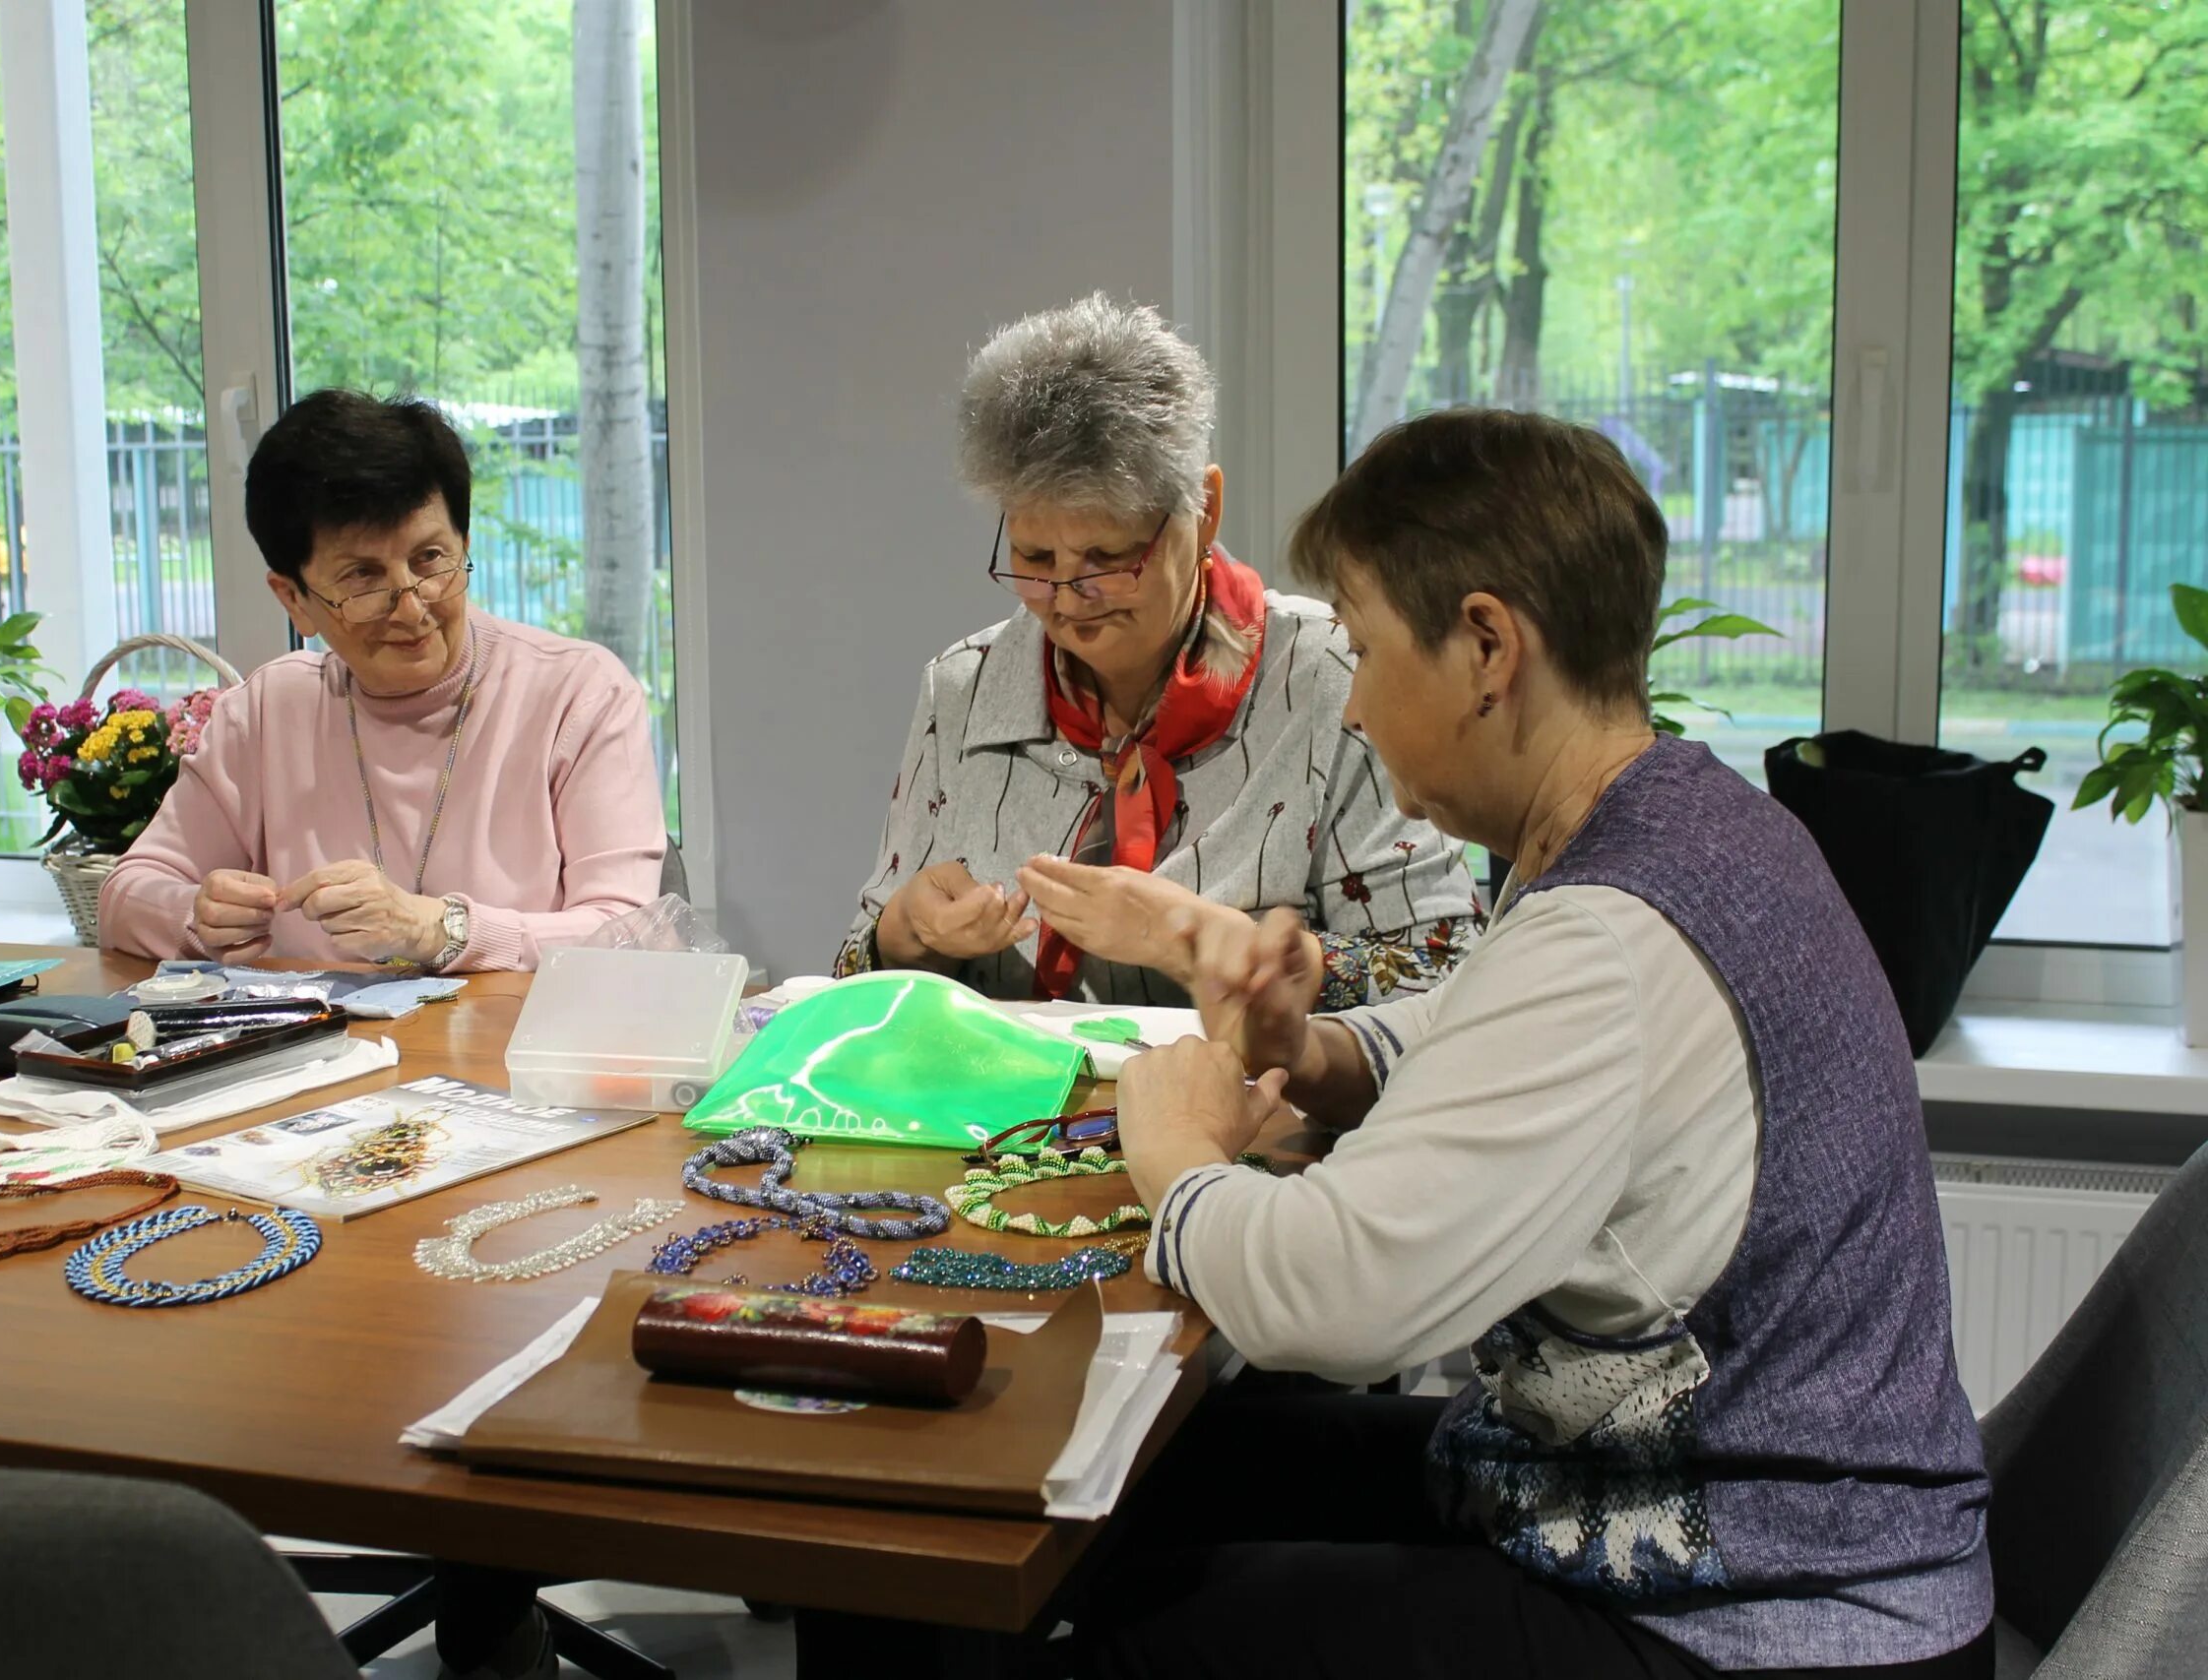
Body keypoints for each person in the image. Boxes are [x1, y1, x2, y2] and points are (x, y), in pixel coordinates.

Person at [1086, 409, 1992, 1679]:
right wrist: (1326, 1053)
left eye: (1361, 648)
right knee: (1170, 1472)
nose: (1348, 703)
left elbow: (1339, 1299)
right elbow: (1490, 1022)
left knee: (1150, 1632)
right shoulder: (1680, 817)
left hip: (1770, 1616)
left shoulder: (1607, 936)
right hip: (1705, 1512)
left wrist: (1177, 1158)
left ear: (1486, 646)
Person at [838, 294, 1477, 1007]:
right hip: (993, 1117)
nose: (1068, 596)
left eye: (1108, 557)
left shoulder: (1333, 677)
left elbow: (1445, 970)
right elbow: (848, 991)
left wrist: (1199, 941)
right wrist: (900, 935)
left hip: (1246, 1116)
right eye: (1034, 555)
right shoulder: (961, 692)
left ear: (1203, 512)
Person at [96, 391, 665, 970]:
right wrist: (196, 915)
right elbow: (125, 895)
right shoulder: (269, 711)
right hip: (320, 1056)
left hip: (513, 1051)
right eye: (363, 577)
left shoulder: (577, 694)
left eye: (430, 560)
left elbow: (628, 934)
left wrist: (441, 929)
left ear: (465, 546)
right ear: (294, 599)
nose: (412, 607)